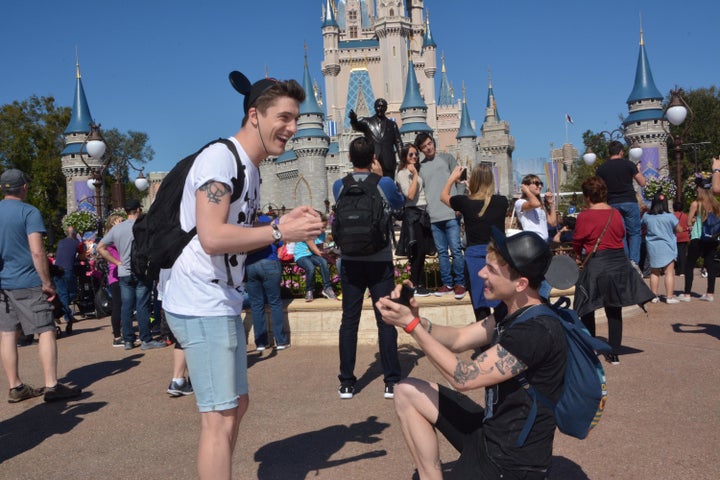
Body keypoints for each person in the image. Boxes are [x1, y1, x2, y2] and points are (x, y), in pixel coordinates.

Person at [161, 74, 324, 480]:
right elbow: (213, 235)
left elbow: (235, 236)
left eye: (296, 120)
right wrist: (279, 232)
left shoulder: (250, 168)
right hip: (200, 299)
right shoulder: (221, 159)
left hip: (222, 300)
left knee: (237, 404)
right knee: (218, 417)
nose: (291, 128)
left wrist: (280, 222)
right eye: (283, 118)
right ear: (254, 115)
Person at [376, 228, 568, 479]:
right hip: (490, 432)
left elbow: (464, 377)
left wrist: (411, 328)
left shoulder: (537, 331)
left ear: (520, 283)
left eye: (491, 270)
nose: (480, 273)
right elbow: (458, 339)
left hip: (512, 462)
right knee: (406, 391)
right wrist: (415, 320)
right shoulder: (510, 313)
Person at [0, 168, 82, 403]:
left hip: (3, 286)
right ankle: (52, 385)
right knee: (45, 330)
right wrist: (47, 283)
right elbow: (37, 252)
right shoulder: (29, 212)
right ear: (24, 187)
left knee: (7, 334)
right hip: (27, 281)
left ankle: (15, 386)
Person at [333, 136, 404, 400]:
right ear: (373, 157)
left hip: (351, 262)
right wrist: (382, 174)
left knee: (349, 321)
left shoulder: (339, 185)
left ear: (349, 158)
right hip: (379, 261)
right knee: (385, 320)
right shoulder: (383, 183)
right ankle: (391, 381)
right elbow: (399, 205)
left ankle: (347, 383)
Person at [573, 176, 654, 364]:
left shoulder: (585, 216)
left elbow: (578, 240)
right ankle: (614, 352)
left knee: (587, 306)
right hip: (617, 262)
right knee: (614, 308)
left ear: (587, 196)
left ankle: (592, 347)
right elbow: (621, 234)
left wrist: (578, 254)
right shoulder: (614, 213)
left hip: (597, 262)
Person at [97, 199, 167, 351]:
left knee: (126, 306)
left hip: (124, 271)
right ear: (137, 210)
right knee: (142, 305)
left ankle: (128, 339)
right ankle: (145, 339)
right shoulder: (144, 226)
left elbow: (100, 247)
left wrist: (116, 262)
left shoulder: (117, 229)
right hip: (141, 271)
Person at [441, 164, 508, 321]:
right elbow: (483, 205)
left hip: (474, 259)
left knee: (481, 307)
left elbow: (443, 196)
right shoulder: (502, 201)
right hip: (497, 257)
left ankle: (485, 343)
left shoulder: (465, 202)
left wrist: (452, 178)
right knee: (502, 305)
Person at [415, 132, 466, 299]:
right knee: (442, 252)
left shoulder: (448, 158)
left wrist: (458, 204)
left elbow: (461, 181)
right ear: (421, 149)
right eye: (424, 146)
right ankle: (447, 283)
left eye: (430, 144)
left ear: (433, 143)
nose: (428, 148)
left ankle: (460, 283)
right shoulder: (420, 167)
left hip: (451, 213)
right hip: (434, 215)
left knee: (456, 250)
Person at [595, 140, 647, 268]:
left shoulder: (601, 169)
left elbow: (598, 188)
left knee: (620, 233)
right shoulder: (629, 165)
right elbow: (642, 182)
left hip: (612, 203)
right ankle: (634, 261)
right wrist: (638, 170)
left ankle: (624, 261)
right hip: (629, 201)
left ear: (609, 153)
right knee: (635, 232)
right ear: (621, 152)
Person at [395, 143, 434, 297]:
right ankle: (415, 285)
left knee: (423, 251)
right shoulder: (403, 174)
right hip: (413, 213)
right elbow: (410, 195)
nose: (414, 157)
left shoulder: (417, 170)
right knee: (417, 252)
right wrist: (415, 176)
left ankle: (419, 284)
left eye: (416, 154)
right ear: (404, 157)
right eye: (411, 154)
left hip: (423, 213)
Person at [245, 215, 290, 350]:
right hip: (269, 262)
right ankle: (281, 341)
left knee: (256, 304)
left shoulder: (246, 222)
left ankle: (261, 343)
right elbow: (280, 241)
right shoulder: (268, 221)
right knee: (275, 302)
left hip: (250, 264)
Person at [678, 179, 720, 302]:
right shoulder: (716, 204)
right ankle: (710, 294)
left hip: (698, 237)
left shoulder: (696, 204)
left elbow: (688, 221)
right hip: (713, 237)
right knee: (710, 264)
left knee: (689, 265)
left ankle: (687, 294)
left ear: (699, 190)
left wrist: (695, 219)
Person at [348, 98, 403, 179]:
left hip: (388, 162)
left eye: (382, 107)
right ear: (374, 107)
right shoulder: (367, 122)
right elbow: (356, 127)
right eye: (378, 106)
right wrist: (353, 120)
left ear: (386, 108)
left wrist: (403, 159)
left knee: (388, 186)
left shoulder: (392, 125)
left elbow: (398, 143)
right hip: (373, 161)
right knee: (373, 186)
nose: (380, 109)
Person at [641, 193, 681, 303]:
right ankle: (669, 297)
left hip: (653, 246)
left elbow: (641, 224)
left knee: (654, 272)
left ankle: (654, 296)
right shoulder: (670, 216)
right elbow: (679, 229)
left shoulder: (647, 216)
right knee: (669, 272)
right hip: (667, 246)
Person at [294, 213, 337, 302]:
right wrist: (330, 258)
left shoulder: (322, 234)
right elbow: (316, 250)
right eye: (323, 226)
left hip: (312, 256)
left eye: (325, 226)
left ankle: (327, 288)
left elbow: (320, 249)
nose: (324, 229)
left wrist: (329, 255)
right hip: (301, 256)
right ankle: (309, 290)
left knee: (323, 262)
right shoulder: (308, 233)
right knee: (311, 268)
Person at [53, 225, 85, 327]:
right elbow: (82, 257)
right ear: (75, 234)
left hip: (56, 269)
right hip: (67, 269)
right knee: (72, 292)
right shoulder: (77, 243)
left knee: (62, 293)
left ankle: (62, 314)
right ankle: (63, 314)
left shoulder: (61, 242)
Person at [103, 213, 125, 347]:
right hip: (115, 274)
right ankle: (117, 336)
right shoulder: (111, 237)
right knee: (118, 304)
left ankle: (124, 331)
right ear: (112, 224)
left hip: (122, 272)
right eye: (120, 221)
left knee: (125, 304)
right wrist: (117, 262)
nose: (123, 223)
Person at [514, 174, 557, 241]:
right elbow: (535, 204)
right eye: (536, 183)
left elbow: (553, 223)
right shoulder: (520, 202)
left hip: (543, 243)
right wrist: (526, 190)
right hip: (532, 243)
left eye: (541, 184)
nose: (540, 186)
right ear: (526, 186)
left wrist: (551, 204)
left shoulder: (540, 204)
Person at [673, 200, 690, 277]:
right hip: (684, 236)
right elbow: (688, 225)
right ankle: (682, 271)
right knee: (682, 254)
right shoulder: (685, 216)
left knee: (675, 253)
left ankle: (677, 269)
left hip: (675, 236)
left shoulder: (672, 216)